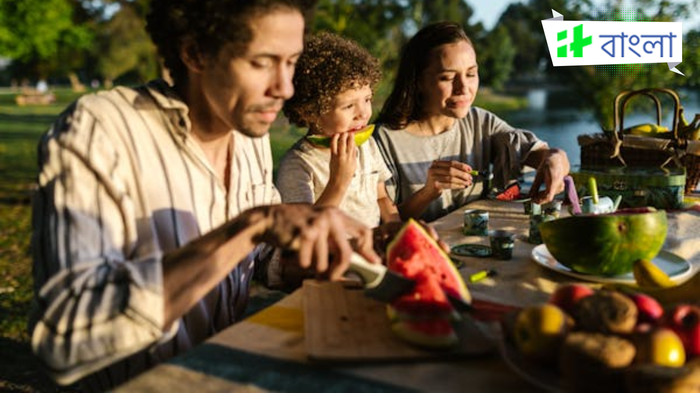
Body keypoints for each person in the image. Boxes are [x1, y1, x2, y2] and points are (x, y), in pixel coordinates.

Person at [28, 0, 380, 389]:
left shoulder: (250, 139)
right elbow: (66, 340)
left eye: (291, 62)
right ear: (195, 52)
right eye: (262, 63)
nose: (285, 89)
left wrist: (351, 253)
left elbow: (264, 263)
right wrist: (252, 226)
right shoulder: (99, 131)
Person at [375, 21, 570, 222]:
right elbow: (385, 224)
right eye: (447, 77)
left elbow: (535, 153)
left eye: (470, 74)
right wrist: (428, 192)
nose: (464, 88)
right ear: (418, 82)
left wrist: (556, 157)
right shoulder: (382, 140)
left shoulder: (481, 123)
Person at [277, 32, 399, 228]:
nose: (363, 113)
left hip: (370, 251)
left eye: (367, 99)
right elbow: (304, 230)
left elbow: (382, 197)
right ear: (310, 112)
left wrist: (395, 227)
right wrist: (338, 182)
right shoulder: (298, 165)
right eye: (349, 106)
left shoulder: (367, 145)